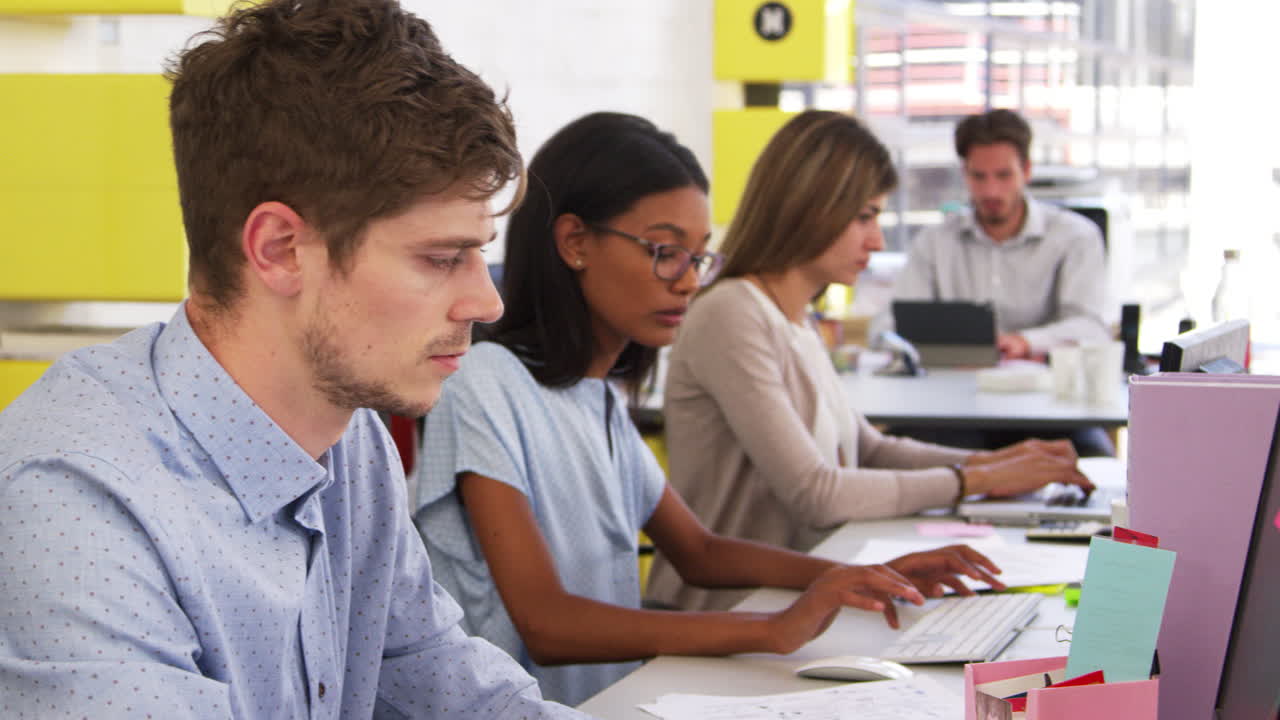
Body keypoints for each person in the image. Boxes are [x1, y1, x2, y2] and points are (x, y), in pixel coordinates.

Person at [0, 1, 586, 717]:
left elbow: (438, 677)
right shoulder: (76, 500)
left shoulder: (347, 436)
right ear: (278, 249)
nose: (484, 302)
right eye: (442, 258)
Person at [413, 112, 1009, 706]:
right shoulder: (485, 386)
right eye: (665, 251)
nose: (688, 282)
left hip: (608, 702)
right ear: (574, 243)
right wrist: (773, 630)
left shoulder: (596, 395)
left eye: (698, 257)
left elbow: (699, 552)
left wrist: (861, 578)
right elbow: (547, 623)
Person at [644, 110, 1093, 613]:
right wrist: (977, 481)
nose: (877, 241)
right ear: (809, 207)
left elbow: (868, 447)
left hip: (792, 602)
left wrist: (996, 463)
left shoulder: (795, 317)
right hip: (720, 615)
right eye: (865, 217)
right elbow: (817, 492)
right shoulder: (731, 314)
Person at [890, 108, 1114, 456]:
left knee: (1096, 460)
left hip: (1046, 408)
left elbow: (1091, 328)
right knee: (904, 452)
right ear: (965, 174)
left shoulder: (1075, 237)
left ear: (1026, 170)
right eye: (979, 177)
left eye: (1003, 175)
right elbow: (892, 324)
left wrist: (1024, 342)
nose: (991, 190)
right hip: (952, 408)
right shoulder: (934, 243)